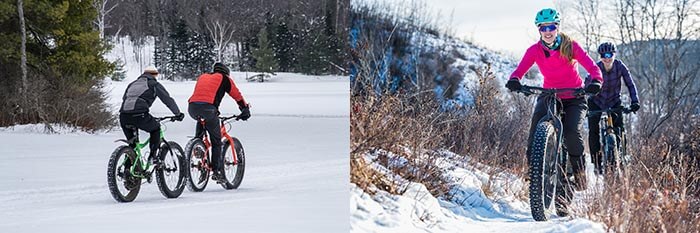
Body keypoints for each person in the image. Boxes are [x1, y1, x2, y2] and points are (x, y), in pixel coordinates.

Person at [505, 8, 603, 212]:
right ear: (539, 30)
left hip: (574, 97)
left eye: (551, 27)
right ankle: (535, 175)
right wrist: (514, 80)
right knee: (534, 134)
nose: (548, 31)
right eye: (543, 28)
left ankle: (579, 174)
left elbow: (593, 68)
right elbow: (520, 69)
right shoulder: (534, 50)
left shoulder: (571, 46)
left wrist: (596, 82)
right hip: (550, 95)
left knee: (571, 133)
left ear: (557, 27)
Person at [188, 62, 251, 181]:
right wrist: (245, 109)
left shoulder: (203, 76)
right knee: (216, 141)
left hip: (192, 108)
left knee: (203, 121)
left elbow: (202, 95)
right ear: (226, 72)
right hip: (209, 109)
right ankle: (217, 171)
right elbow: (237, 96)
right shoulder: (225, 78)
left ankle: (198, 146)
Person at [586, 42, 640, 175]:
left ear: (614, 54)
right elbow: (587, 82)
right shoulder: (596, 68)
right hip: (596, 101)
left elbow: (630, 84)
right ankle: (597, 162)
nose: (607, 58)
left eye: (609, 54)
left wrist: (635, 101)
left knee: (620, 128)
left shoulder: (620, 66)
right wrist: (585, 93)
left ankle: (623, 155)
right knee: (593, 130)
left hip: (614, 101)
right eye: (603, 55)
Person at [119, 65, 184, 168]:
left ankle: (128, 172)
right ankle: (153, 157)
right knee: (155, 129)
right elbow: (167, 99)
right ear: (154, 75)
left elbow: (125, 99)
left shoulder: (132, 84)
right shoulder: (153, 84)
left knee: (132, 146)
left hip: (123, 116)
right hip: (140, 115)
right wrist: (178, 114)